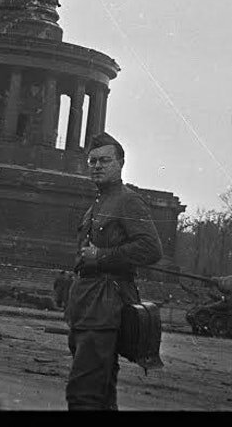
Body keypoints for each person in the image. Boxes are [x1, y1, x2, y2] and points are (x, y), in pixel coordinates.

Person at [64, 132, 163, 411]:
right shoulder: (98, 203)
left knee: (84, 394)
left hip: (105, 305)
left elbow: (150, 249)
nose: (97, 165)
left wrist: (102, 256)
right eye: (92, 161)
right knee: (102, 393)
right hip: (87, 306)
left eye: (105, 160)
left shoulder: (127, 201)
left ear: (120, 163)